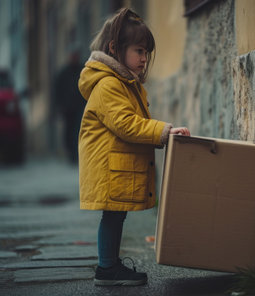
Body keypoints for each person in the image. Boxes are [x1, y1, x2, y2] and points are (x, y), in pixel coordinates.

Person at [77, 8, 190, 286]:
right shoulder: (108, 85)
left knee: (116, 216)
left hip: (115, 164)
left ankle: (110, 266)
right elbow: (126, 124)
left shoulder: (125, 83)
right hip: (109, 166)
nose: (144, 59)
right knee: (113, 217)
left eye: (146, 53)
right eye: (139, 51)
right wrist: (164, 132)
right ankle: (106, 268)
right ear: (115, 48)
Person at [54, 51, 85, 163]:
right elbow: (57, 90)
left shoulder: (83, 70)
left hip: (80, 107)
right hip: (67, 108)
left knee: (78, 130)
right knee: (68, 131)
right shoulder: (64, 72)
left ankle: (76, 154)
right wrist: (59, 106)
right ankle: (70, 153)